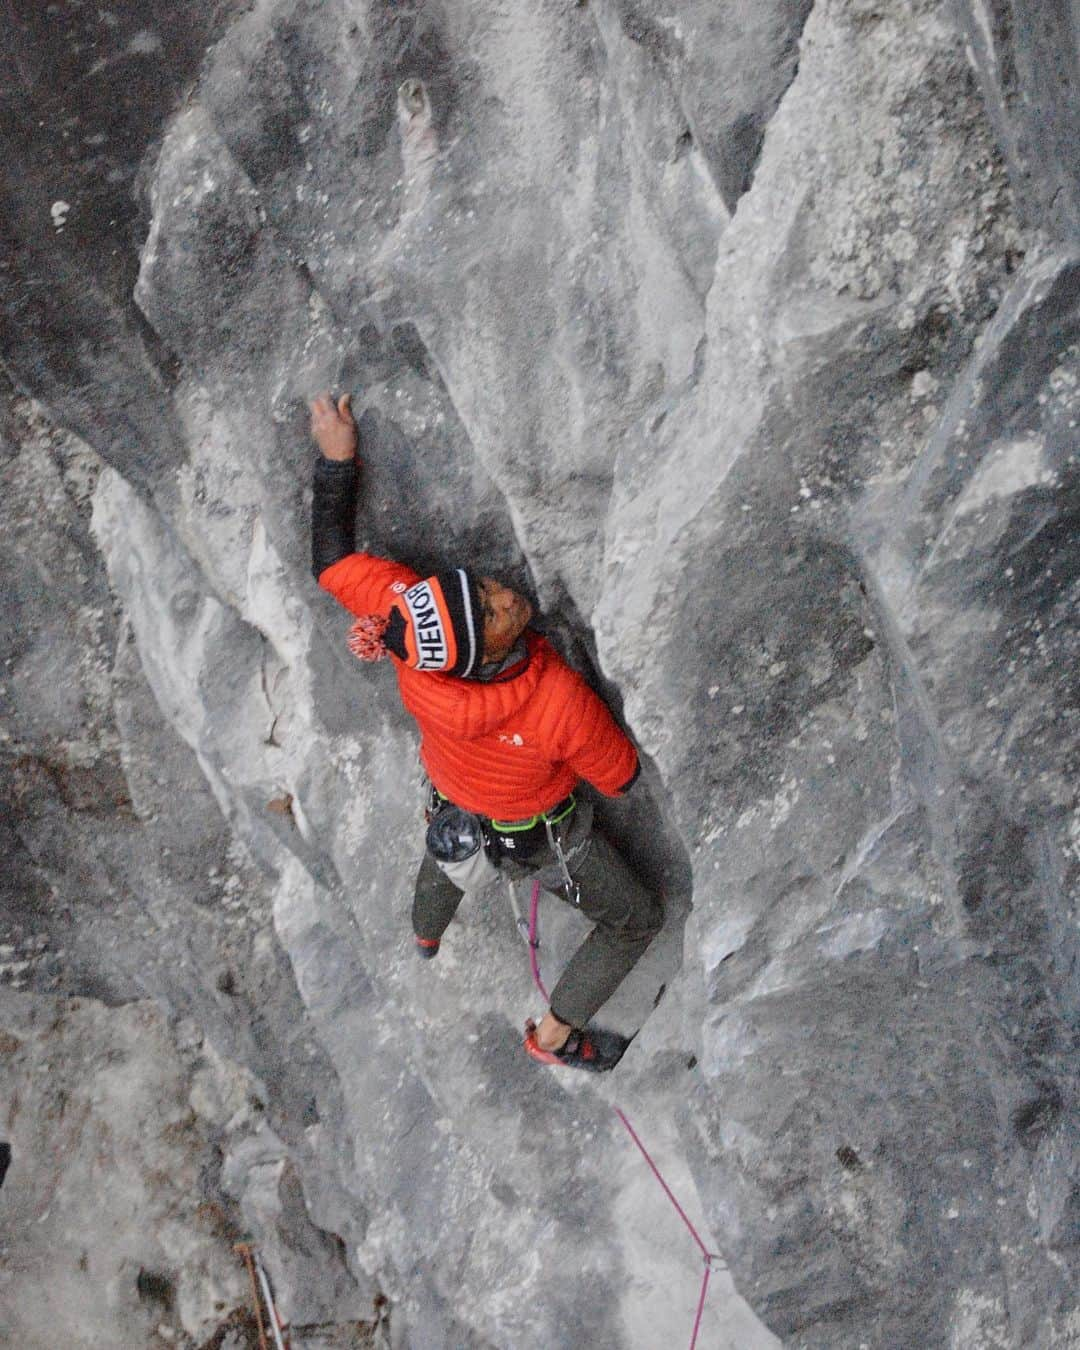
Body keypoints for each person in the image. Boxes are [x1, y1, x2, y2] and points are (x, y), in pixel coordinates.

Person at [309, 392, 663, 1071]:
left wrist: (336, 461)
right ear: (486, 659)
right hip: (546, 841)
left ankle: (424, 935)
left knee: (449, 851)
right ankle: (556, 1037)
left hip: (458, 800)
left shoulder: (409, 627)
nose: (508, 598)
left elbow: (330, 564)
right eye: (498, 615)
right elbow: (619, 775)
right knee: (634, 921)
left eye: (486, 591)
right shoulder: (554, 698)